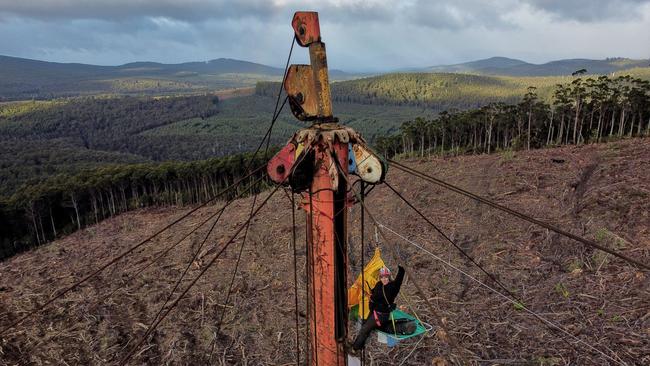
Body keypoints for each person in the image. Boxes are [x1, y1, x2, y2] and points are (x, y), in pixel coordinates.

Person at [352, 264, 405, 350]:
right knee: (364, 327)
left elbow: (399, 279)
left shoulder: (393, 287)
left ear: (389, 277)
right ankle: (360, 346)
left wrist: (401, 268)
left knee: (364, 329)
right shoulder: (379, 284)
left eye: (386, 277)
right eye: (382, 277)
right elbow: (374, 293)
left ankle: (354, 349)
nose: (384, 279)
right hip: (373, 311)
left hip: (381, 315)